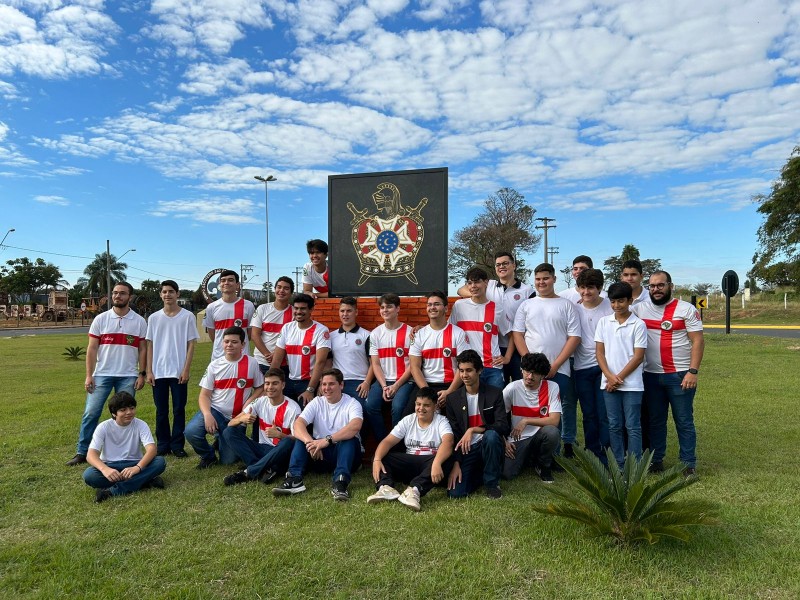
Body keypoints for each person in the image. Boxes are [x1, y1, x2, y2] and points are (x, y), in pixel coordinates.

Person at [67, 281, 147, 466]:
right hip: (102, 374)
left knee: (125, 415)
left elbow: (143, 349)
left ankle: (124, 452)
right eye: (115, 293)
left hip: (128, 375)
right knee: (91, 413)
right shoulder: (100, 319)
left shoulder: (139, 321)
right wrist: (89, 375)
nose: (117, 296)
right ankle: (82, 452)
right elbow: (92, 348)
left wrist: (141, 374)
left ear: (130, 297)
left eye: (122, 293)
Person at [632, 270, 704, 475]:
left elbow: (697, 340)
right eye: (652, 286)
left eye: (660, 285)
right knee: (655, 420)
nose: (656, 289)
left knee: (684, 420)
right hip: (650, 375)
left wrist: (693, 371)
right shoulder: (639, 310)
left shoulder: (686, 309)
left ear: (670, 286)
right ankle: (656, 460)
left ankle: (688, 463)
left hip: (680, 375)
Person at [512, 263, 581, 457]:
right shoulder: (526, 305)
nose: (542, 282)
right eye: (538, 279)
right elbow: (518, 334)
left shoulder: (566, 305)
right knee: (534, 408)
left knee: (563, 407)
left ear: (554, 279)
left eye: (546, 278)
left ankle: (565, 445)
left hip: (559, 368)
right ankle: (537, 448)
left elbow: (574, 337)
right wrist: (529, 365)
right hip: (532, 371)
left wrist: (556, 365)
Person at [273, 369, 363, 501]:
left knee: (349, 440)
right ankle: (294, 479)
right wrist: (310, 443)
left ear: (341, 385)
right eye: (324, 384)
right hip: (318, 454)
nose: (327, 388)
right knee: (301, 439)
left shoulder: (352, 403)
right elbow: (298, 425)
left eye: (331, 384)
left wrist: (326, 441)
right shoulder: (317, 402)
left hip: (346, 455)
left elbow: (355, 426)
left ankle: (340, 483)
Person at [185, 326, 264, 468]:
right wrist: (207, 414)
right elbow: (204, 395)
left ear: (243, 345)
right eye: (226, 341)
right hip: (216, 411)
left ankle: (222, 437)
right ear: (222, 343)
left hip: (238, 417)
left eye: (234, 342)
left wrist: (249, 403)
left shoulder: (252, 363)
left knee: (228, 460)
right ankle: (208, 456)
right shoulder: (214, 365)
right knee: (191, 432)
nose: (229, 345)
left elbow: (260, 387)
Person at [367, 387, 454, 511]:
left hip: (429, 465)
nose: (421, 408)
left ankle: (414, 491)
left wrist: (437, 462)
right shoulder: (409, 420)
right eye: (418, 404)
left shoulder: (441, 421)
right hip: (409, 462)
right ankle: (385, 488)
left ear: (435, 407)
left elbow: (448, 442)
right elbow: (388, 441)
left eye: (426, 405)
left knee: (446, 460)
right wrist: (376, 460)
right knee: (381, 456)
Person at [457, 251, 534, 382]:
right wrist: (476, 294)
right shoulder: (490, 285)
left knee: (519, 384)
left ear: (514, 265)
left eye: (505, 263)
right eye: (498, 264)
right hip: (494, 347)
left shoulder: (527, 291)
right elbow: (460, 290)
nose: (501, 267)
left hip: (518, 345)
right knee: (499, 389)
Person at [595, 282, 648, 469]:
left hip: (632, 385)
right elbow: (600, 353)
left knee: (633, 426)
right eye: (613, 301)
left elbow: (638, 356)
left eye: (621, 301)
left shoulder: (638, 324)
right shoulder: (603, 322)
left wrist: (617, 379)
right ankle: (618, 463)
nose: (617, 305)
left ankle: (635, 465)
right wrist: (609, 377)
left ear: (630, 301)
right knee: (614, 425)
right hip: (608, 384)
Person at [445, 350, 510, 499]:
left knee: (491, 436)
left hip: (489, 444)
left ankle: (492, 484)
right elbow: (454, 434)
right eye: (461, 371)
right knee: (455, 493)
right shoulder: (453, 399)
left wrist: (474, 430)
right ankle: (482, 473)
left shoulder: (494, 393)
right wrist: (456, 463)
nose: (464, 375)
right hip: (467, 450)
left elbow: (502, 425)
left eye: (469, 370)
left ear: (479, 370)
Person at [145, 279, 199, 457]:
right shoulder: (153, 318)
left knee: (178, 410)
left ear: (178, 294)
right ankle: (162, 444)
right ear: (160, 295)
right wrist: (149, 371)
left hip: (178, 372)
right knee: (161, 411)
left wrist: (186, 369)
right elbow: (150, 345)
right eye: (164, 291)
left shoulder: (187, 316)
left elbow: (191, 344)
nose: (167, 294)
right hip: (158, 372)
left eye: (171, 291)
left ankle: (177, 445)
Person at [221, 368, 301, 485]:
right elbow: (230, 423)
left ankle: (249, 472)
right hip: (262, 448)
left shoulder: (293, 408)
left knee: (287, 442)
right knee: (229, 432)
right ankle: (263, 468)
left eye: (275, 383)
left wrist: (280, 435)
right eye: (267, 383)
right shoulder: (260, 401)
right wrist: (241, 419)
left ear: (283, 385)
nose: (270, 387)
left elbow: (298, 439)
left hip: (280, 453)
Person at [82, 391, 166, 503]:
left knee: (160, 462)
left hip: (134, 464)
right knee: (89, 475)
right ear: (114, 413)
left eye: (132, 408)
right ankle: (145, 481)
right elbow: (91, 455)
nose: (129, 412)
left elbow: (152, 449)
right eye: (123, 410)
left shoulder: (141, 424)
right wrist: (105, 469)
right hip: (110, 466)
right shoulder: (103, 427)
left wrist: (137, 468)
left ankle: (111, 492)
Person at [572, 269, 613, 461]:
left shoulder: (610, 307)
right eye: (582, 288)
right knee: (588, 414)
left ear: (599, 288)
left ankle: (606, 455)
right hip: (582, 368)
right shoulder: (574, 307)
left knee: (604, 414)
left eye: (590, 288)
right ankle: (591, 454)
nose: (586, 292)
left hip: (605, 368)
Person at [502, 353, 562, 483]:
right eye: (527, 371)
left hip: (540, 436)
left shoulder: (552, 387)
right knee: (507, 473)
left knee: (552, 432)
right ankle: (529, 459)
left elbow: (554, 420)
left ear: (542, 375)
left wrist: (526, 421)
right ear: (521, 370)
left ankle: (543, 464)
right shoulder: (511, 388)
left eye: (535, 373)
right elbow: (498, 417)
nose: (529, 376)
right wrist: (504, 440)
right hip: (518, 438)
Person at [365, 293, 415, 441]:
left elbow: (413, 365)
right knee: (370, 406)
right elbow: (376, 364)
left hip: (405, 381)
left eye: (389, 307)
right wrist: (384, 385)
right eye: (382, 307)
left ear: (398, 309)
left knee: (398, 408)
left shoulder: (410, 333)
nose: (385, 310)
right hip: (383, 381)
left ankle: (396, 444)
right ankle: (383, 443)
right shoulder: (375, 334)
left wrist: (396, 385)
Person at [449, 266, 509, 389]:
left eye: (477, 282)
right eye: (470, 283)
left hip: (491, 368)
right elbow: (448, 330)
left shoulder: (497, 308)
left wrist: (507, 357)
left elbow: (512, 334)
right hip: (468, 368)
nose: (473, 286)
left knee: (494, 406)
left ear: (486, 282)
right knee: (471, 406)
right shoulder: (459, 306)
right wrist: (420, 328)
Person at [408, 290, 468, 407]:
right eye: (429, 305)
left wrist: (449, 392)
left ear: (446, 308)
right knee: (406, 417)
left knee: (458, 422)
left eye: (436, 304)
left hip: (451, 385)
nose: (432, 307)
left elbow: (463, 366)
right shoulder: (419, 334)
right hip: (425, 385)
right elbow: (414, 367)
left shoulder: (458, 333)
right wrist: (427, 393)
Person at [269, 293, 331, 405]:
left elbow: (320, 362)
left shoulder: (321, 330)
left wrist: (310, 389)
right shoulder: (287, 328)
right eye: (296, 308)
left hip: (309, 382)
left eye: (303, 308)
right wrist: (269, 384)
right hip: (289, 380)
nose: (298, 312)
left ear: (311, 309)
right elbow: (277, 359)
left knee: (306, 419)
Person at [328, 296, 373, 403]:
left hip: (359, 383)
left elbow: (374, 364)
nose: (345, 314)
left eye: (349, 311)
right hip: (337, 382)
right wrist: (324, 382)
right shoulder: (331, 336)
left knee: (364, 413)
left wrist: (367, 382)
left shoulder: (367, 335)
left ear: (356, 312)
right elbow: (327, 364)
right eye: (342, 311)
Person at [203, 270, 255, 360]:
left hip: (242, 357)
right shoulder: (211, 307)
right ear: (220, 285)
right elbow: (213, 335)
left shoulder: (248, 306)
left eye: (230, 280)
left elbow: (250, 334)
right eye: (223, 280)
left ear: (237, 285)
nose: (226, 283)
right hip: (219, 358)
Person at [251, 276, 294, 375]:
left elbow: (292, 339)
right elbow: (254, 335)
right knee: (262, 390)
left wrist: (277, 356)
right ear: (275, 289)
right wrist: (267, 355)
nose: (281, 290)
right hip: (262, 361)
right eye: (279, 287)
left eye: (286, 288)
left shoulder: (294, 313)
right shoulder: (262, 309)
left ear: (291, 293)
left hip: (285, 363)